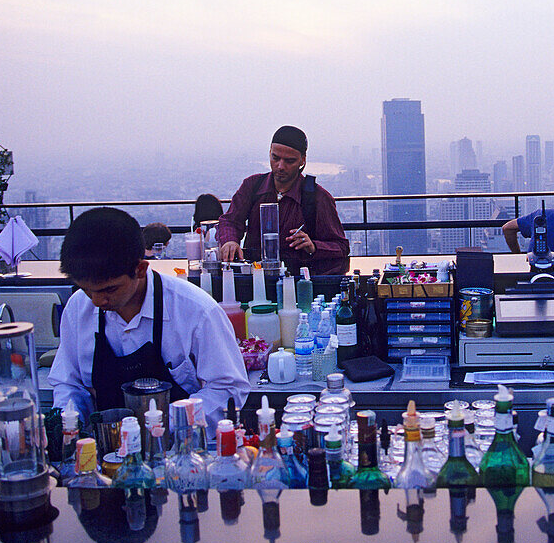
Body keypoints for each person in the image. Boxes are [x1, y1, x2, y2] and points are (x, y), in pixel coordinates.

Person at [49, 207, 250, 430]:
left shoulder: (196, 311)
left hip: (181, 449)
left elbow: (227, 390)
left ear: (141, 269)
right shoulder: (79, 307)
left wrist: (163, 428)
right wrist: (70, 422)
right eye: (87, 290)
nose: (97, 301)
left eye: (109, 290)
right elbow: (69, 383)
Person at [218, 126, 350, 275]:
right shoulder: (252, 186)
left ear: (302, 160)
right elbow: (229, 221)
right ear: (269, 153)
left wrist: (314, 246)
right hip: (256, 277)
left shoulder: (318, 197)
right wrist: (230, 240)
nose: (280, 166)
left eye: (289, 161)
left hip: (298, 281)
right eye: (275, 158)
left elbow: (341, 247)